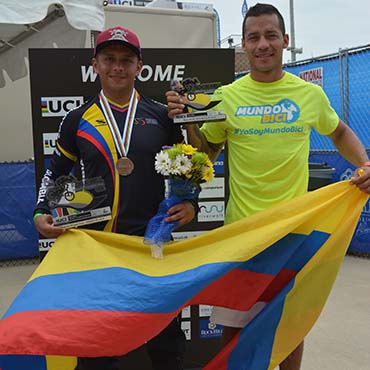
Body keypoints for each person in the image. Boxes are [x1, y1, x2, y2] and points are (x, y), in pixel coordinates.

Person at [166, 3, 370, 370]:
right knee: (234, 334)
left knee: (289, 330)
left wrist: (365, 164)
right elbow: (205, 154)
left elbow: (338, 131)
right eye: (254, 37)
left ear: (285, 41)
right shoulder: (227, 96)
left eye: (270, 35)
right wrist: (188, 123)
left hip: (294, 236)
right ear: (243, 44)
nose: (263, 44)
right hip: (242, 237)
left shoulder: (309, 95)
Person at [34, 25, 197, 370]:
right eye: (110, 59)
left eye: (126, 60)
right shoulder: (76, 120)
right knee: (97, 350)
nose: (118, 67)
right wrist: (41, 210)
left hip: (153, 246)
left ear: (140, 66)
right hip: (99, 248)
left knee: (167, 347)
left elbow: (189, 167)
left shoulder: (160, 116)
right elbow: (57, 171)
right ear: (96, 63)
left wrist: (192, 203)